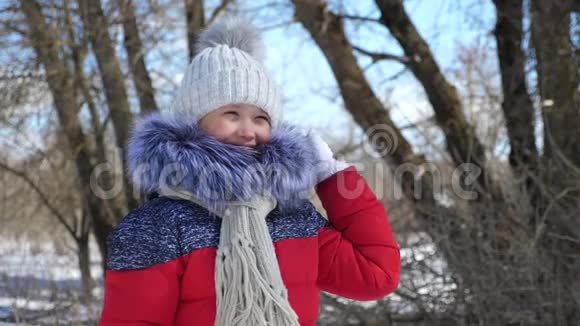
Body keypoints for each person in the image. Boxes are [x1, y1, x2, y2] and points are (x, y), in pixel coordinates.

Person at [99, 16, 400, 326]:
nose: (248, 131)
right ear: (193, 121)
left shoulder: (292, 216)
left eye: (260, 118)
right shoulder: (158, 225)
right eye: (231, 114)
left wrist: (333, 176)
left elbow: (377, 276)